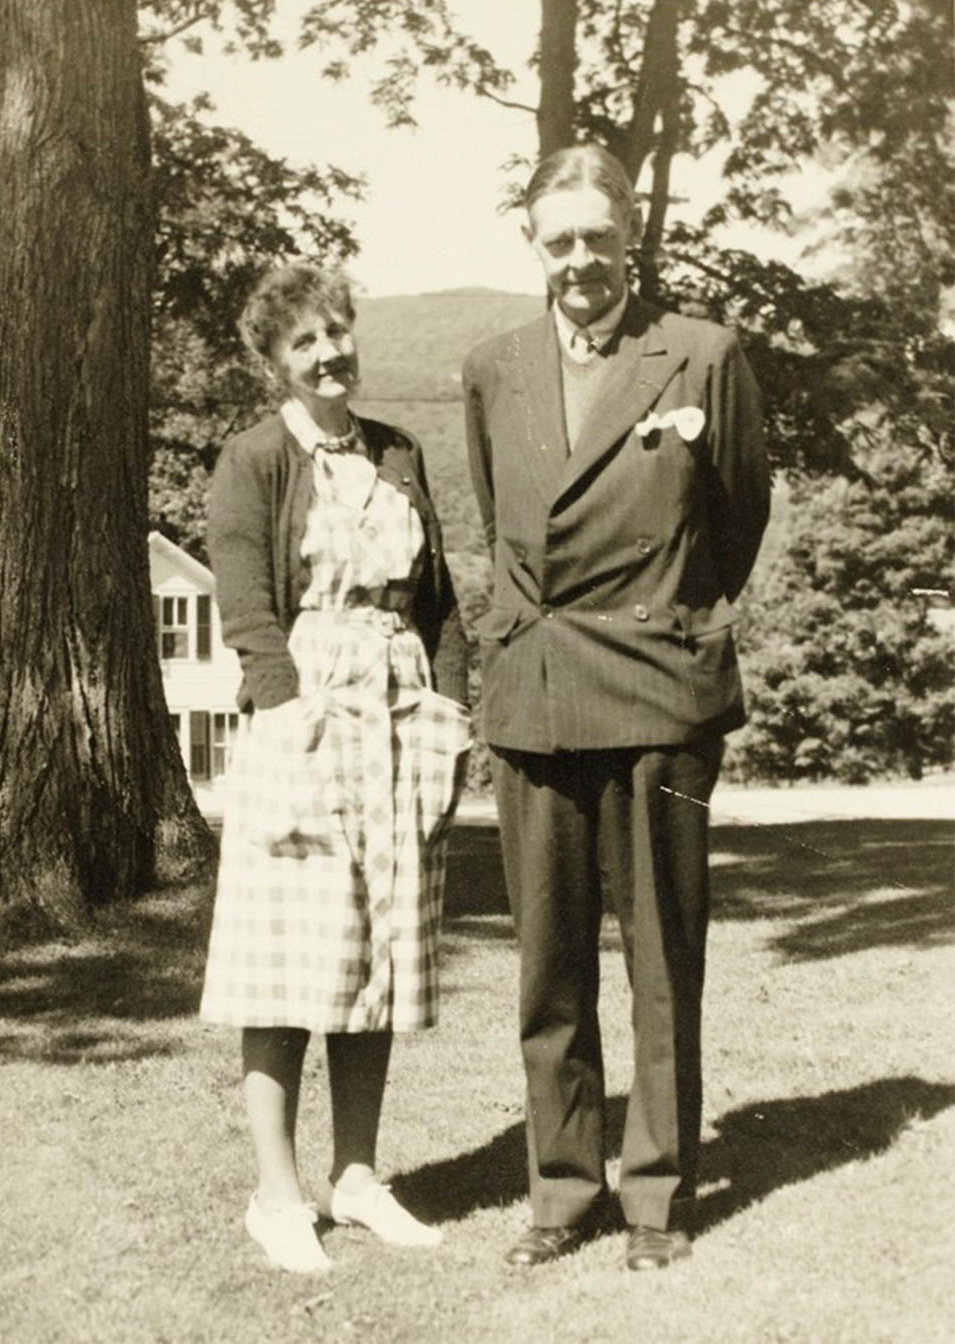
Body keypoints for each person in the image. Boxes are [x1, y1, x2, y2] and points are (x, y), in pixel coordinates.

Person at [463, 145, 770, 1271]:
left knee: (660, 957)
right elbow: (504, 517)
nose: (581, 260)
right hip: (537, 693)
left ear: (631, 232)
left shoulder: (700, 354)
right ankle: (561, 1189)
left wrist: (675, 618)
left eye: (600, 235)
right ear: (532, 246)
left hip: (662, 692)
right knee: (549, 964)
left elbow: (739, 520)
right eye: (560, 240)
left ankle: (655, 1196)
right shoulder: (493, 364)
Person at [200, 263, 470, 1274]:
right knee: (288, 968)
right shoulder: (256, 459)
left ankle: (356, 1178)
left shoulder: (399, 453)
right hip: (304, 716)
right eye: (305, 342)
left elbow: (435, 597)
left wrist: (450, 709)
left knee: (378, 958)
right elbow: (248, 612)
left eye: (338, 333)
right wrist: (290, 718)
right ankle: (277, 1197)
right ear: (275, 361)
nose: (329, 355)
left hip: (400, 719)